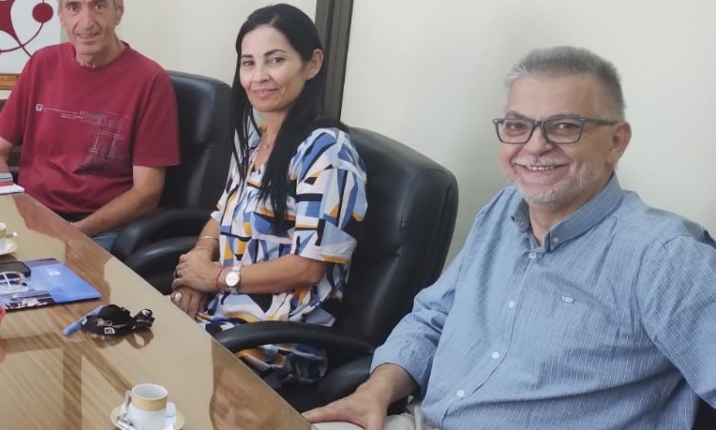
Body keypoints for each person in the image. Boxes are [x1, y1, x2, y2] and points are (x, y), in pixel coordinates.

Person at [306, 46, 716, 429]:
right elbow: (434, 318)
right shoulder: (503, 210)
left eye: (564, 126)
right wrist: (376, 391)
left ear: (615, 142)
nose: (534, 146)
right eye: (517, 125)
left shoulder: (665, 258)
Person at [165, 4, 367, 389]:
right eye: (248, 63)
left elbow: (308, 267)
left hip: (275, 340)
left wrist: (216, 278)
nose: (259, 76)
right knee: (119, 337)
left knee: (151, 373)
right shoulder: (258, 142)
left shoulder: (328, 153)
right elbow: (220, 216)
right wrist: (197, 266)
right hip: (223, 317)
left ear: (312, 64)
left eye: (275, 60)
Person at [0, 0, 180, 251]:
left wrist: (75, 231)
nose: (86, 23)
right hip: (32, 218)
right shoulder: (42, 63)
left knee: (45, 272)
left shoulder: (150, 81)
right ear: (61, 16)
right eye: (74, 7)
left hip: (99, 229)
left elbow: (147, 192)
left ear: (118, 12)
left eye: (99, 6)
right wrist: (18, 205)